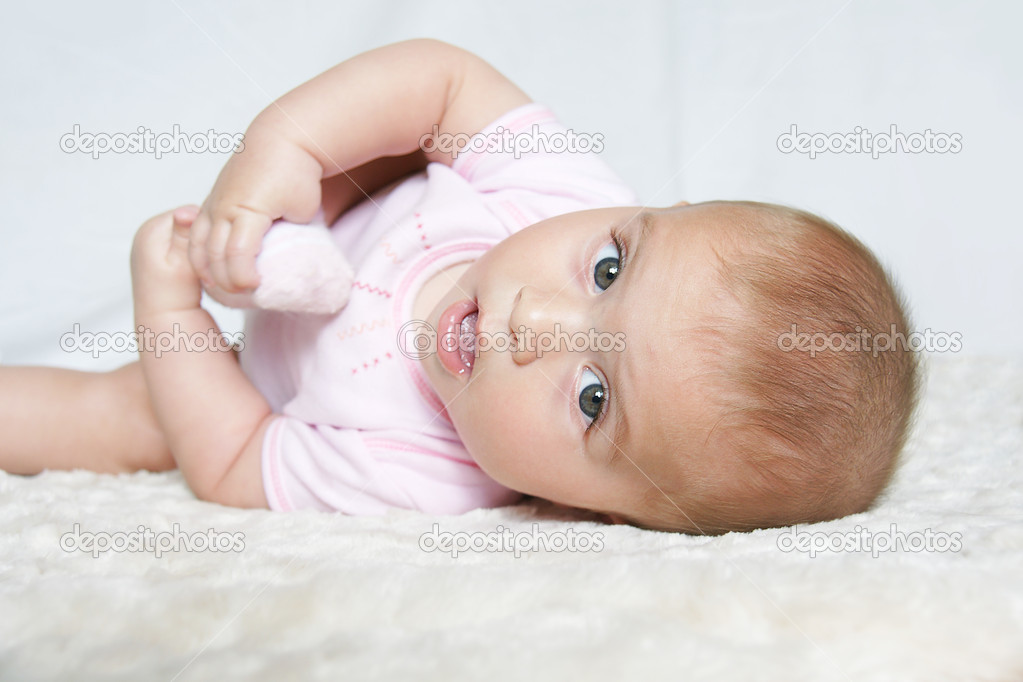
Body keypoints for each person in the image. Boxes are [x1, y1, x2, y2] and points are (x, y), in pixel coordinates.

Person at [0, 39, 919, 534]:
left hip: (252, 381)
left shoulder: (430, 478)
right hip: (333, 206)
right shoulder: (563, 191)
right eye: (608, 269)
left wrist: (171, 316)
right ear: (652, 211)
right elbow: (441, 82)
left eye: (594, 399)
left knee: (112, 420)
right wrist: (290, 151)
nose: (538, 323)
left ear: (582, 508)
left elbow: (236, 460)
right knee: (388, 136)